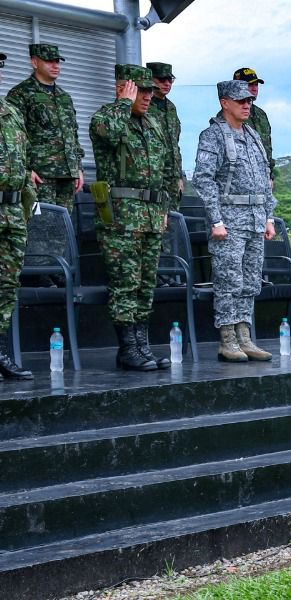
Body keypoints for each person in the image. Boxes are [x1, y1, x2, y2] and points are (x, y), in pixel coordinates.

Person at [89, 64, 172, 371]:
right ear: (124, 88)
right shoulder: (107, 117)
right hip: (121, 217)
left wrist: (163, 209)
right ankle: (127, 349)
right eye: (141, 89)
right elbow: (107, 134)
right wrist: (123, 103)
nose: (148, 96)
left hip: (151, 215)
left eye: (151, 90)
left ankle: (142, 346)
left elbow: (165, 170)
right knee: (126, 282)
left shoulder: (152, 124)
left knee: (145, 284)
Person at [191, 80, 277, 363]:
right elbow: (204, 179)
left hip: (254, 218)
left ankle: (244, 336)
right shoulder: (213, 136)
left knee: (251, 281)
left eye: (249, 101)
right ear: (224, 102)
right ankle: (227, 339)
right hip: (229, 220)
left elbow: (265, 181)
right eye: (240, 101)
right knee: (229, 281)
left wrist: (268, 216)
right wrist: (216, 220)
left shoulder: (253, 135)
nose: (246, 105)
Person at [7, 44, 83, 211]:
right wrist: (26, 170)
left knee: (63, 227)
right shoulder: (20, 94)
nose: (56, 66)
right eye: (49, 61)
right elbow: (13, 134)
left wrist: (78, 168)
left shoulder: (64, 97)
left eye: (57, 61)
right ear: (35, 62)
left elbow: (73, 134)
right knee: (41, 227)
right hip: (40, 176)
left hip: (67, 175)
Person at [0, 52, 34, 380]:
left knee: (7, 284)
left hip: (11, 210)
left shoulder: (10, 112)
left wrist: (26, 207)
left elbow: (22, 165)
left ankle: (0, 352)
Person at [146, 62, 183, 205]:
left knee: (173, 222)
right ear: (151, 79)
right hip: (154, 176)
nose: (167, 84)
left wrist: (179, 176)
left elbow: (175, 144)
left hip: (172, 178)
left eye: (170, 80)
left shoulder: (171, 107)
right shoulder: (144, 106)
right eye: (162, 80)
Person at [230, 68, 274, 179]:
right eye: (250, 85)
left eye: (256, 85)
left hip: (262, 178)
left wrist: (270, 176)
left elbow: (267, 148)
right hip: (239, 180)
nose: (254, 89)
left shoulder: (261, 114)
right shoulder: (229, 114)